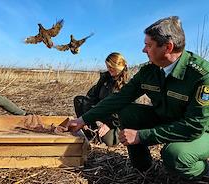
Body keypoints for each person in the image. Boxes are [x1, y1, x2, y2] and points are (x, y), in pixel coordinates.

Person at [67, 16, 209, 180]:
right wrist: (83, 119)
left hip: (201, 131)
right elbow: (120, 98)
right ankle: (144, 169)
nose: (143, 50)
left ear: (168, 47)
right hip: (167, 118)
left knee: (176, 155)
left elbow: (193, 126)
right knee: (128, 111)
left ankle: (203, 172)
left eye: (148, 45)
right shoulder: (149, 71)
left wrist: (141, 136)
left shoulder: (201, 76)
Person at [73, 52, 128, 146]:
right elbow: (92, 96)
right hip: (102, 111)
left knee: (108, 141)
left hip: (116, 120)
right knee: (79, 100)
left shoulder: (128, 84)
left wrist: (109, 124)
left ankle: (105, 133)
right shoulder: (105, 78)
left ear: (119, 66)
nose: (109, 69)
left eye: (111, 67)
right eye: (107, 67)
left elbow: (126, 111)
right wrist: (86, 118)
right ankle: (91, 130)